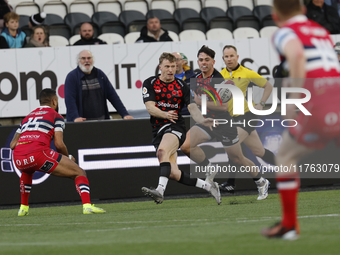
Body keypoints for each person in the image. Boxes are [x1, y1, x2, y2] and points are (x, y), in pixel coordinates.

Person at [261, 0, 340, 239]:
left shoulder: (284, 32)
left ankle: (289, 225)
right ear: (304, 10)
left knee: (285, 155)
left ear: (275, 15)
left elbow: (296, 54)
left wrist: (294, 101)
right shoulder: (322, 31)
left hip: (320, 99)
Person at [180, 45, 270, 201]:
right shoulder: (196, 78)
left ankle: (261, 182)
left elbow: (222, 106)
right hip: (207, 121)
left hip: (224, 123)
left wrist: (201, 102)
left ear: (213, 62)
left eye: (207, 60)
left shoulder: (220, 79)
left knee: (238, 158)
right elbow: (191, 98)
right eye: (201, 60)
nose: (203, 63)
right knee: (186, 145)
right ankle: (210, 168)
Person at [141, 52, 221, 205]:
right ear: (160, 67)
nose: (170, 70)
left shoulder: (182, 86)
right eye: (167, 67)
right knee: (173, 173)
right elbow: (150, 108)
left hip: (175, 126)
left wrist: (203, 120)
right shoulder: (150, 83)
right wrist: (164, 114)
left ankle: (159, 191)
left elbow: (193, 108)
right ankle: (209, 187)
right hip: (158, 128)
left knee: (162, 151)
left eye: (173, 66)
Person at [10, 88, 106, 215]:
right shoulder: (56, 116)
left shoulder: (27, 118)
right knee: (79, 172)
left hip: (18, 158)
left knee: (28, 171)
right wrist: (67, 158)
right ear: (54, 101)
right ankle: (87, 206)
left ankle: (23, 208)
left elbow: (12, 145)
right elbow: (59, 144)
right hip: (39, 155)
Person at [219, 45, 275, 193]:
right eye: (226, 56)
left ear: (237, 57)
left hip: (246, 115)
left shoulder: (246, 72)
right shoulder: (220, 75)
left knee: (232, 146)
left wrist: (261, 103)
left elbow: (268, 86)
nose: (229, 59)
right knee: (259, 152)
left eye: (232, 56)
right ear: (223, 59)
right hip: (231, 118)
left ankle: (231, 183)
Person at [64, 50, 133, 122]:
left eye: (89, 58)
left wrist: (125, 114)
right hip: (81, 123)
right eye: (83, 58)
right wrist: (75, 117)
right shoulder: (72, 77)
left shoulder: (100, 74)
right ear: (78, 61)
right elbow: (70, 100)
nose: (86, 60)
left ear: (93, 60)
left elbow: (113, 96)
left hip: (101, 122)